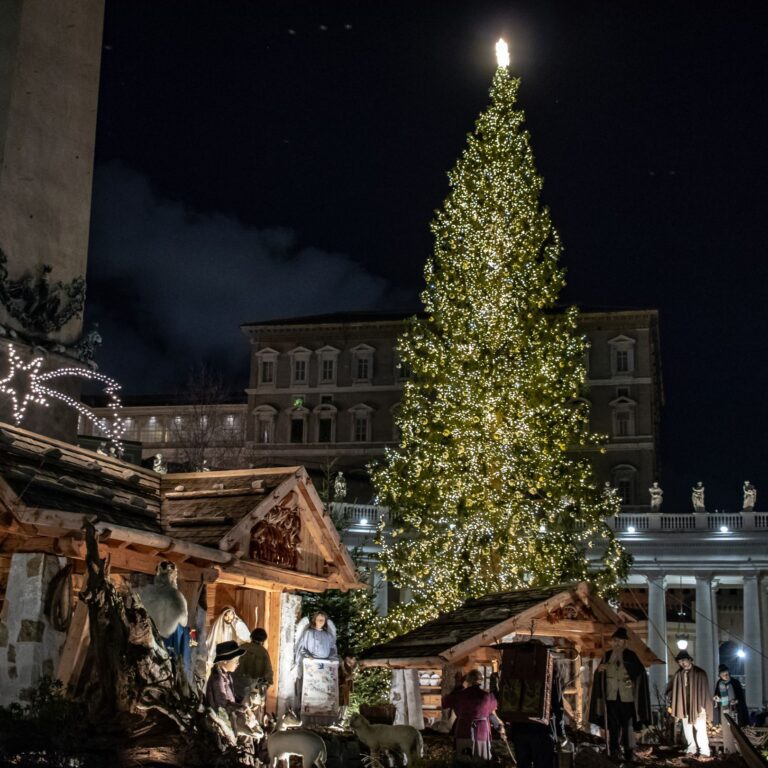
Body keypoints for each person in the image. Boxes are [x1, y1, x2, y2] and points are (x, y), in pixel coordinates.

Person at [588, 627, 651, 762]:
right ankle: (614, 751)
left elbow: (640, 675)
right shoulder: (607, 656)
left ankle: (629, 753)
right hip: (611, 697)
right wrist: (600, 670)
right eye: (614, 641)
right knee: (613, 725)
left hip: (627, 698)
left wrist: (632, 683)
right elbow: (598, 676)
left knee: (627, 726)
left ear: (624, 642)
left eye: (619, 641)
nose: (616, 643)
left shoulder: (631, 656)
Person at [442, 668, 499, 762]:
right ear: (480, 681)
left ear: (467, 681)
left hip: (463, 730)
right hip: (482, 731)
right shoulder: (487, 696)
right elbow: (493, 709)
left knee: (463, 761)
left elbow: (445, 702)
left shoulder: (459, 695)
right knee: (482, 761)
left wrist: (459, 687)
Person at [669, 650, 713, 758]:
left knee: (700, 729)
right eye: (679, 662)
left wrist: (704, 707)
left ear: (689, 660)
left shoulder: (700, 673)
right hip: (685, 706)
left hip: (698, 707)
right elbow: (674, 689)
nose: (682, 663)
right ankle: (691, 749)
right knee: (687, 729)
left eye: (683, 660)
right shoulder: (679, 674)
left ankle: (704, 751)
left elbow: (705, 691)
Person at [713, 664, 749, 753]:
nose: (726, 676)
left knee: (735, 728)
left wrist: (736, 701)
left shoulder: (735, 682)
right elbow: (716, 694)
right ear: (720, 676)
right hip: (724, 708)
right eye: (724, 675)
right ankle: (728, 749)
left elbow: (740, 696)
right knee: (726, 729)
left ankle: (738, 749)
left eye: (727, 674)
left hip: (735, 709)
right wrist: (716, 698)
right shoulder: (719, 683)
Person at [206, 640, 246, 711]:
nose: (238, 663)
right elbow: (222, 704)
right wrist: (240, 707)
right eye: (236, 660)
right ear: (225, 661)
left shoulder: (226, 675)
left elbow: (231, 697)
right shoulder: (217, 678)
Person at [234, 627, 273, 700]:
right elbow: (268, 676)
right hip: (250, 691)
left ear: (251, 636)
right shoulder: (263, 653)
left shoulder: (241, 647)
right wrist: (262, 695)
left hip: (234, 688)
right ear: (263, 640)